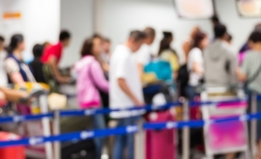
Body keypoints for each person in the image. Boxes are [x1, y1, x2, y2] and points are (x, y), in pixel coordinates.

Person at [110, 30, 145, 159]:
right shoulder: (123, 55)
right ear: (132, 40)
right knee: (130, 142)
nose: (139, 48)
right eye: (139, 44)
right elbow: (121, 80)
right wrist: (136, 100)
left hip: (125, 105)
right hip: (127, 106)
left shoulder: (121, 54)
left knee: (122, 140)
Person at [74, 36, 109, 159]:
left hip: (83, 101)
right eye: (97, 46)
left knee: (90, 132)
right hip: (93, 101)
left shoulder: (81, 62)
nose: (100, 48)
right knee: (100, 132)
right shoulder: (93, 63)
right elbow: (102, 83)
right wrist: (115, 89)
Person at [236, 30, 261, 159]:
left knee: (255, 129)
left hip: (254, 97)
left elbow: (243, 76)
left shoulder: (248, 55)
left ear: (252, 42)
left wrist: (234, 68)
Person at [186, 31, 208, 100]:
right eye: (206, 40)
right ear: (200, 41)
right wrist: (208, 73)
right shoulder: (196, 51)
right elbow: (196, 68)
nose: (208, 42)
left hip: (195, 85)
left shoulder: (197, 51)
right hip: (195, 86)